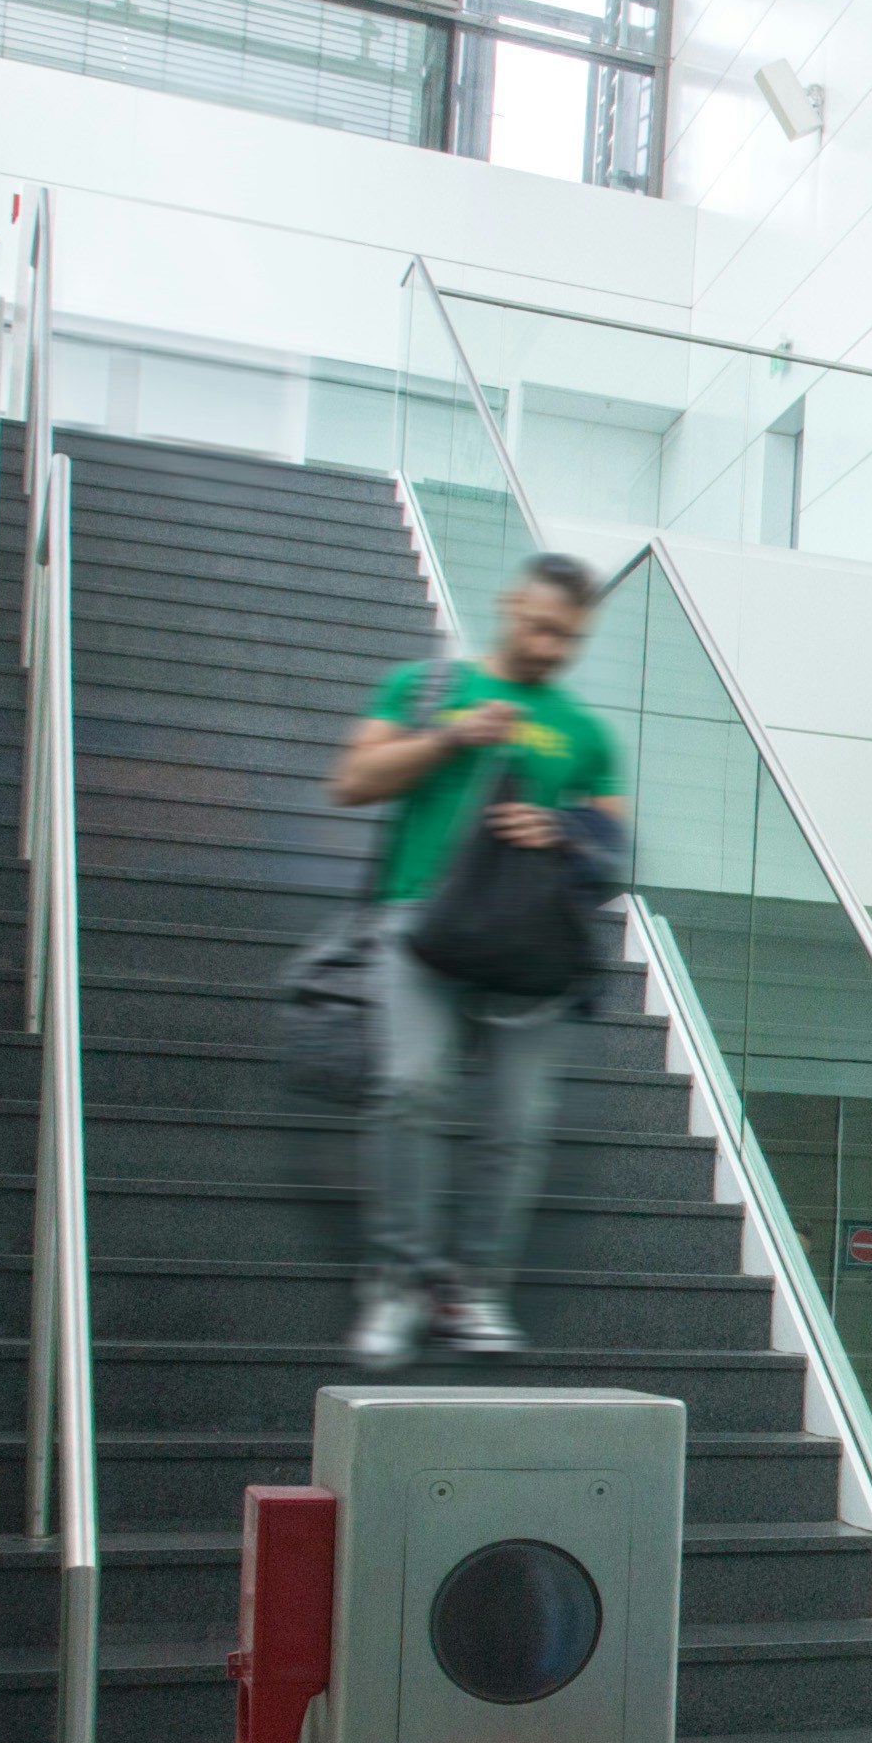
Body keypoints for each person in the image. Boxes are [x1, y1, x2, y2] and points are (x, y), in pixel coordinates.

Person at [332, 552, 628, 1367]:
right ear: (508, 606)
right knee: (409, 1088)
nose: (550, 645)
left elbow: (615, 841)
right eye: (538, 626)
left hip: (526, 943)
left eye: (568, 636)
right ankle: (398, 1280)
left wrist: (561, 832)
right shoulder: (424, 688)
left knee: (518, 1125)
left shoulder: (587, 733)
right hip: (416, 921)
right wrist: (452, 737)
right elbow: (352, 780)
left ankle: (475, 1289)